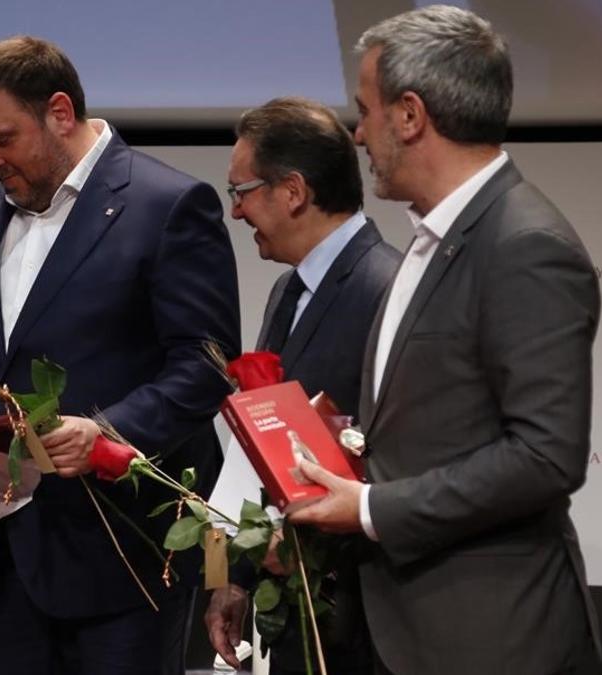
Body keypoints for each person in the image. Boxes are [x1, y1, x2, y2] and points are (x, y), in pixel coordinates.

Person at [0, 36, 240, 675]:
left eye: (2, 138)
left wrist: (109, 432)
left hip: (118, 558)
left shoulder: (169, 206)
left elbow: (207, 364)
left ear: (59, 111)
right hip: (2, 550)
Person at [288, 6, 602, 673]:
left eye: (365, 110)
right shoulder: (438, 236)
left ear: (410, 115)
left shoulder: (524, 244)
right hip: (410, 627)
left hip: (494, 637)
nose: (358, 133)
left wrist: (372, 506)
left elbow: (547, 455)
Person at [205, 97, 401, 675]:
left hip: (370, 624)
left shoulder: (387, 288)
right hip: (299, 617)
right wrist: (234, 578)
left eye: (240, 193)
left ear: (292, 191)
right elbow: (260, 454)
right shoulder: (287, 292)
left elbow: (404, 461)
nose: (236, 214)